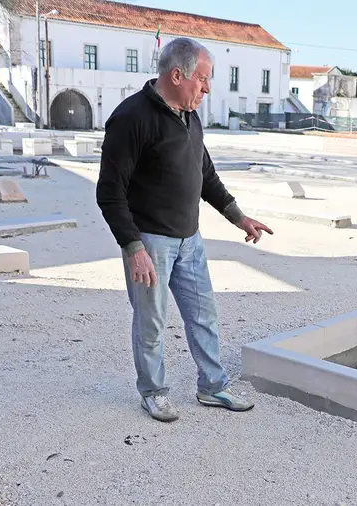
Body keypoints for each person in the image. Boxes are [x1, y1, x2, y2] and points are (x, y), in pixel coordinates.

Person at [95, 37, 273, 423]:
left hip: (189, 239)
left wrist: (237, 215)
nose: (207, 89)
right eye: (203, 80)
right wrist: (133, 247)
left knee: (203, 315)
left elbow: (204, 174)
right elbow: (109, 193)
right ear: (177, 75)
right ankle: (154, 393)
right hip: (150, 243)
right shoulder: (131, 118)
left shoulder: (190, 116)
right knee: (151, 321)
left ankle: (212, 387)